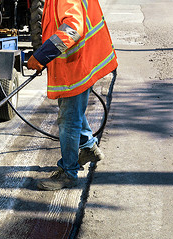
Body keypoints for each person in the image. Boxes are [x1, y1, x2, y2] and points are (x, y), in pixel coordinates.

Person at [27, 0, 118, 190]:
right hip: (77, 62)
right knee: (73, 111)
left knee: (69, 118)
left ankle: (68, 173)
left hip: (75, 66)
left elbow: (72, 30)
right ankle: (88, 148)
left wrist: (42, 55)